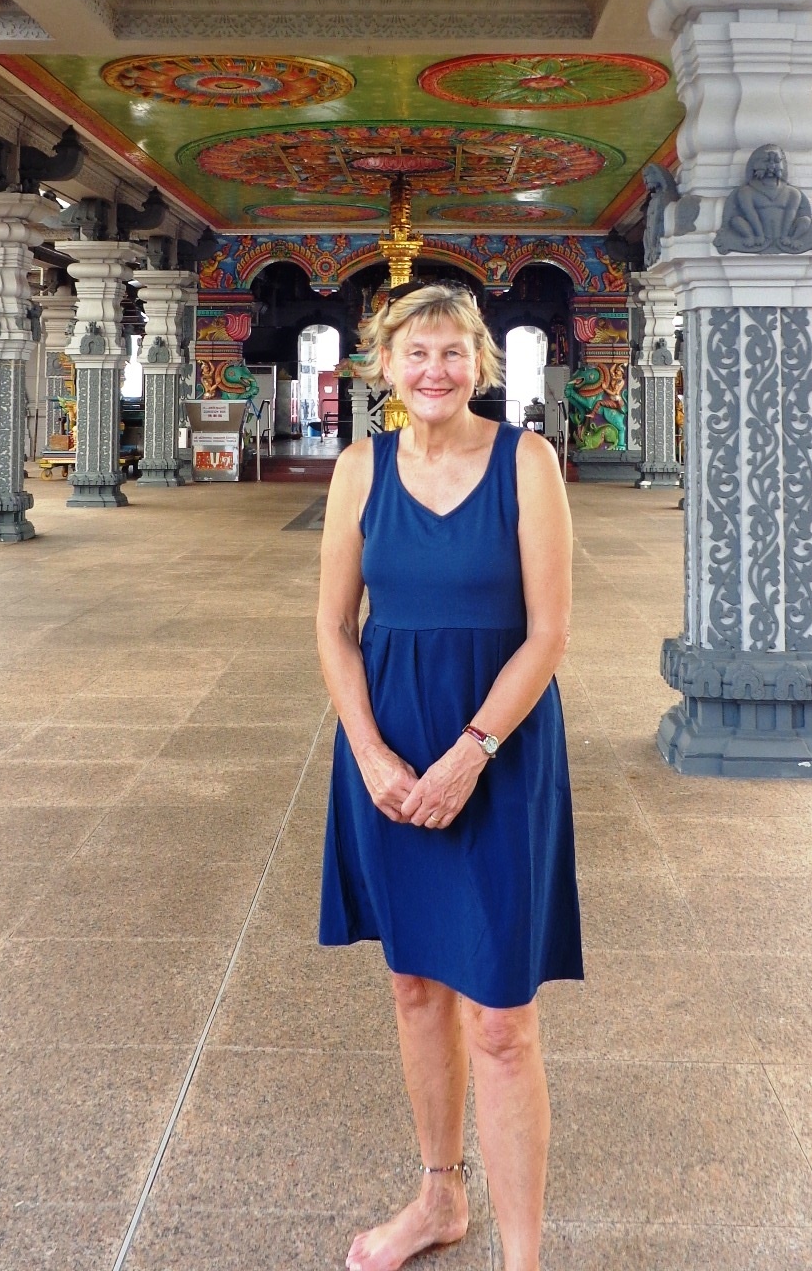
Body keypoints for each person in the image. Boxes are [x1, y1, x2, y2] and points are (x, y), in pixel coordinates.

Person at [317, 281, 582, 1271]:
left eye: (453, 353)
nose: (434, 371)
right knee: (417, 990)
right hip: (386, 757)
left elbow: (549, 634)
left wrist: (470, 755)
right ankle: (438, 1200)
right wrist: (374, 755)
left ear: (482, 363)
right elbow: (335, 630)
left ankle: (523, 1258)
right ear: (383, 366)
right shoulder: (359, 470)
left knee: (504, 1022)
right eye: (414, 354)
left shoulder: (527, 461)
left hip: (498, 752)